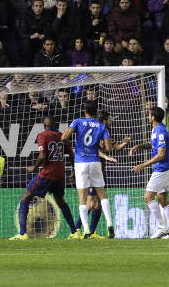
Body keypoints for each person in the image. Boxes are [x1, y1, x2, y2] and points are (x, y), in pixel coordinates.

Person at [10, 115, 77, 240]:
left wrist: (34, 168)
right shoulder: (62, 136)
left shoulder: (42, 135)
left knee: (26, 196)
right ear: (55, 124)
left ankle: (23, 233)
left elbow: (42, 156)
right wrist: (74, 171)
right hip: (60, 173)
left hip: (48, 173)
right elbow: (72, 154)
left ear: (44, 125)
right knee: (60, 200)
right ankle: (74, 231)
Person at [61, 100, 115, 239]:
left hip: (81, 162)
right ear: (96, 112)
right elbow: (108, 148)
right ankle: (109, 223)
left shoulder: (78, 122)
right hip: (95, 162)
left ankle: (86, 229)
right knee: (102, 194)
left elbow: (64, 137)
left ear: (85, 111)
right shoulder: (101, 126)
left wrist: (71, 143)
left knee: (82, 198)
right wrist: (99, 146)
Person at [73, 110, 130, 238]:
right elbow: (93, 150)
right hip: (92, 167)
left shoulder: (105, 132)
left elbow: (115, 147)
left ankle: (91, 231)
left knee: (97, 201)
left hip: (96, 168)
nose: (110, 121)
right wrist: (105, 155)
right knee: (91, 201)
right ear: (104, 121)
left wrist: (125, 144)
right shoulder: (99, 130)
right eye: (109, 119)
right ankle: (78, 228)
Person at [130, 106, 169, 239]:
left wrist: (143, 164)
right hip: (167, 167)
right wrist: (139, 146)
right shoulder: (156, 129)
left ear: (152, 117)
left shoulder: (161, 132)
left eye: (149, 115)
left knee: (148, 196)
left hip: (162, 168)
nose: (148, 117)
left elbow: (161, 155)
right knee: (162, 198)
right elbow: (153, 143)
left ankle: (162, 228)